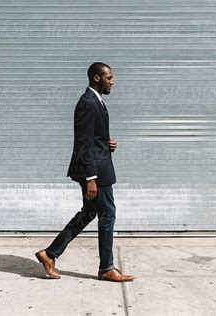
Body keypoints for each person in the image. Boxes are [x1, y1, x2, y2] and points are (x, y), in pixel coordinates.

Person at [35, 62, 134, 282]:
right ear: (97, 78)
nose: (112, 81)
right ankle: (106, 268)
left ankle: (50, 254)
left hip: (98, 165)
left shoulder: (96, 101)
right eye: (109, 77)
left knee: (89, 212)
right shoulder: (87, 102)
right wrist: (91, 178)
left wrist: (106, 143)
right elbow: (83, 142)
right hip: (95, 171)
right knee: (107, 214)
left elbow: (93, 138)